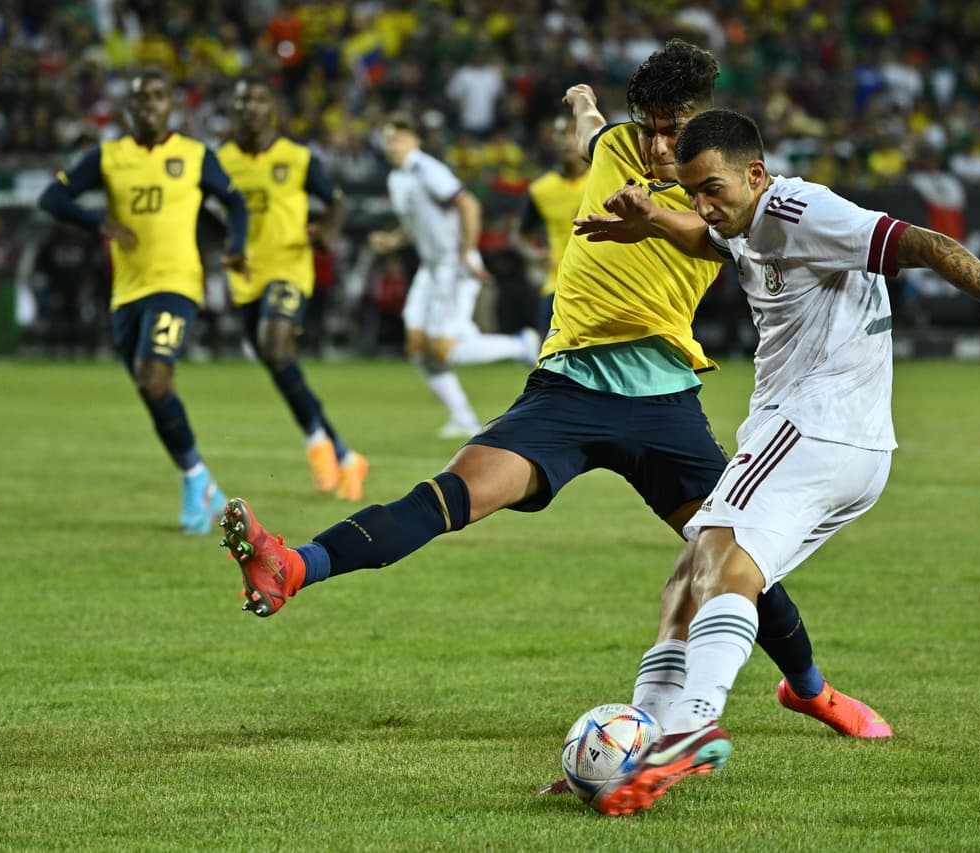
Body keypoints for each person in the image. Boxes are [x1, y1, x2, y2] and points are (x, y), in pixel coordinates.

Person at [217, 44, 880, 762]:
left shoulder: (716, 189)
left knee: (733, 559)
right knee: (449, 495)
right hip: (566, 388)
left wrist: (655, 217)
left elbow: (712, 234)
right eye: (649, 127)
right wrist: (582, 105)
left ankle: (810, 688)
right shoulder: (616, 144)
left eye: (673, 129)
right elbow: (593, 135)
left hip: (663, 399)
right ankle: (293, 565)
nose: (658, 146)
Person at [570, 109, 980, 816]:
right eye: (691, 192)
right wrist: (657, 222)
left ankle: (691, 726)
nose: (702, 205)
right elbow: (715, 234)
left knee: (720, 559)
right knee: (691, 577)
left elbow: (927, 244)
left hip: (812, 428)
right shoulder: (743, 219)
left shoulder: (800, 208)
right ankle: (641, 748)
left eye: (712, 188)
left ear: (755, 173)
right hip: (844, 445)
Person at [38, 68, 249, 534]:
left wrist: (235, 246)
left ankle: (196, 481)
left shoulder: (194, 155)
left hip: (177, 284)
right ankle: (199, 477)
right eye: (141, 98)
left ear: (170, 104)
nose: (149, 104)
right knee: (147, 385)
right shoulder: (110, 157)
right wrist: (98, 223)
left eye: (158, 96)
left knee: (153, 376)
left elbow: (234, 203)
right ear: (130, 108)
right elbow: (52, 197)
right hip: (126, 292)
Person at [216, 77, 369, 501]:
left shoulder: (297, 158)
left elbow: (336, 201)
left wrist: (329, 235)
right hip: (246, 276)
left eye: (257, 100)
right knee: (276, 362)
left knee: (275, 345)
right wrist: (225, 245)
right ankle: (342, 453)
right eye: (241, 100)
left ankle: (316, 445)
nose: (248, 107)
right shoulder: (222, 160)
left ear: (272, 111)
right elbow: (197, 207)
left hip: (289, 266)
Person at [367, 110, 541, 439]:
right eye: (389, 139)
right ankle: (462, 417)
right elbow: (416, 221)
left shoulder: (426, 169)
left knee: (445, 349)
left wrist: (466, 251)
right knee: (417, 347)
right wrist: (393, 240)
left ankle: (519, 345)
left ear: (415, 141)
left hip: (452, 266)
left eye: (400, 138)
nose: (393, 145)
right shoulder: (398, 177)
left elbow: (469, 205)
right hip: (431, 268)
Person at [513, 117, 590, 334]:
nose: (567, 141)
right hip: (557, 286)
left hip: (603, 286)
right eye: (561, 134)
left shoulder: (605, 179)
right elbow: (519, 234)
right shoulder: (541, 189)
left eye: (573, 133)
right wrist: (535, 254)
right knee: (550, 361)